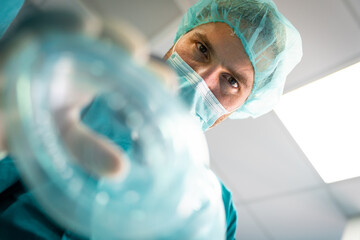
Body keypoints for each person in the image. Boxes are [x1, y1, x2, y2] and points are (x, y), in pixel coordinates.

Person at [0, 0, 302, 239]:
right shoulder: (83, 97)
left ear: (235, 110)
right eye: (202, 48)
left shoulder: (214, 209)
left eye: (232, 81)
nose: (202, 80)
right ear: (176, 44)